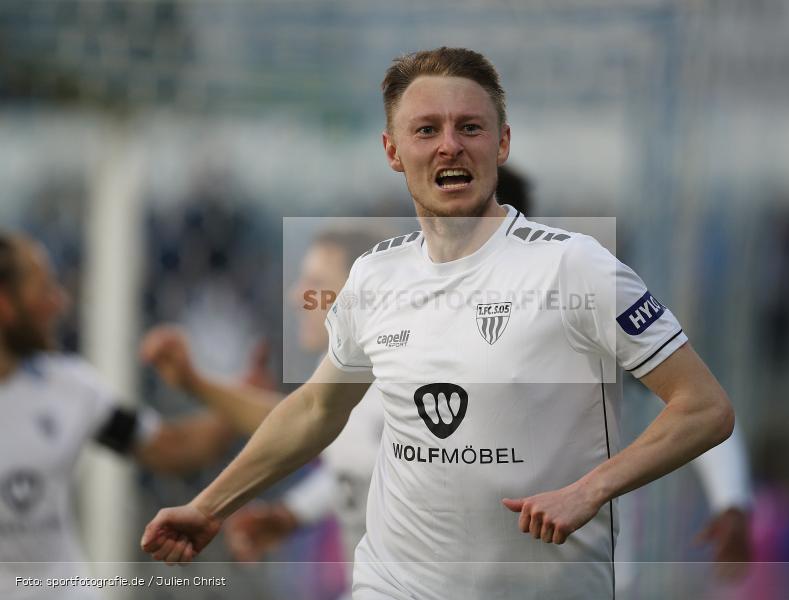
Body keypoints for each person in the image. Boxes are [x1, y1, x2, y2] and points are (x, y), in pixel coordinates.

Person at [140, 47, 734, 600]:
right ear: (394, 151)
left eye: (469, 127)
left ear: (501, 143)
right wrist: (211, 506)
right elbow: (318, 411)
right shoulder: (374, 276)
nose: (450, 145)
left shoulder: (575, 266)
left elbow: (704, 407)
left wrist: (590, 489)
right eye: (427, 130)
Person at [142, 227, 386, 596]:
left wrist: (210, 508)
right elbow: (300, 423)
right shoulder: (352, 377)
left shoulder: (401, 383)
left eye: (316, 281)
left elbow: (311, 425)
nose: (297, 295)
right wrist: (293, 513)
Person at [0, 232, 235, 599]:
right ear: (5, 304)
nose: (59, 302)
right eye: (43, 288)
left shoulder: (68, 389)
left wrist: (238, 407)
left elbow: (169, 447)